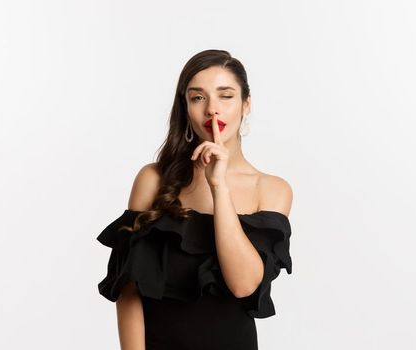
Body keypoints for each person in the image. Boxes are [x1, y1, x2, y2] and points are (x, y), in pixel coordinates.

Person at [96, 49, 293, 350]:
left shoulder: (271, 189)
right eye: (198, 97)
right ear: (185, 107)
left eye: (225, 96)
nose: (212, 110)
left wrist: (219, 187)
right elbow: (128, 289)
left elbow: (243, 285)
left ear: (246, 104)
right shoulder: (153, 179)